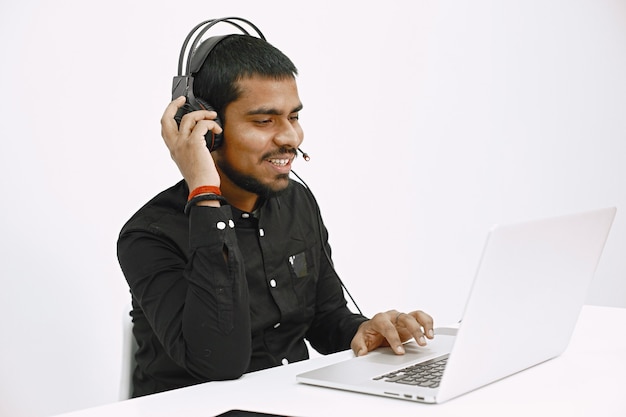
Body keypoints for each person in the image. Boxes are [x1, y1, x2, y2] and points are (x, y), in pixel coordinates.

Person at [117, 29, 434, 398]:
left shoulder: (296, 202)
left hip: (290, 402)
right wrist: (204, 189)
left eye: (293, 117)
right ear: (207, 130)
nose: (291, 138)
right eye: (264, 121)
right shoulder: (149, 235)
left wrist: (363, 330)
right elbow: (219, 364)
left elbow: (325, 318)